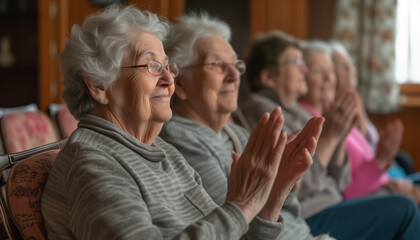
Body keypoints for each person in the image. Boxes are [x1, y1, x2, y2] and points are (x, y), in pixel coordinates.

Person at [39, 5, 316, 240]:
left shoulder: (165, 153)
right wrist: (241, 205)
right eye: (151, 66)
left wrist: (271, 196)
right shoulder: (91, 162)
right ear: (99, 85)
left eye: (168, 67)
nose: (169, 79)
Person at [160, 14, 331, 240]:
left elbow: (288, 212)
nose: (233, 76)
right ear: (180, 82)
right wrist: (277, 186)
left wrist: (284, 181)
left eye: (236, 65)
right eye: (217, 65)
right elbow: (239, 226)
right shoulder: (180, 141)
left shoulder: (235, 132)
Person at [238, 32, 420, 239]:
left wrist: (339, 137)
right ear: (269, 77)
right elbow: (296, 189)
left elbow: (340, 182)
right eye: (295, 61)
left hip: (331, 202)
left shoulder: (296, 112)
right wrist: (331, 139)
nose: (303, 68)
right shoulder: (267, 118)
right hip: (307, 214)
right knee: (405, 210)